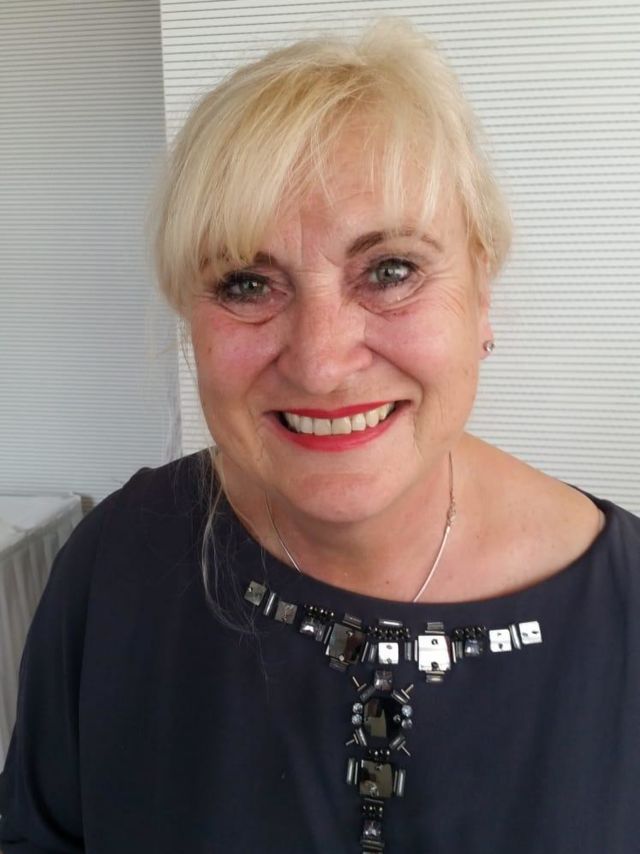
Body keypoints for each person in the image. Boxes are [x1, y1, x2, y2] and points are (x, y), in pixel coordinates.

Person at [1, 17, 638, 854]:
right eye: (246, 282)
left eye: (390, 270)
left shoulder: (626, 615)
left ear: (481, 295)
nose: (321, 363)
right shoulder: (113, 564)